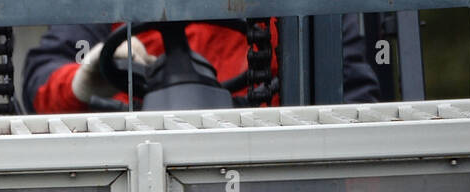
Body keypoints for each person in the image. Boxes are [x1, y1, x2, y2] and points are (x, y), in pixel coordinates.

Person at [24, 17, 381, 114]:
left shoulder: (301, 13)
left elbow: (351, 101)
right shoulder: (105, 8)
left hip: (271, 187)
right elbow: (41, 83)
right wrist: (81, 81)